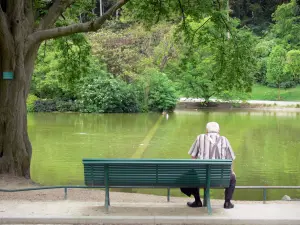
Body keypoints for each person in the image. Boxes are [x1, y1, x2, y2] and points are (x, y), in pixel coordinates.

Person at [180, 122, 236, 209]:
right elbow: (231, 159)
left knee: (192, 175)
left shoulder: (200, 138)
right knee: (232, 178)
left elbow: (193, 156)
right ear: (219, 131)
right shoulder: (224, 139)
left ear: (206, 130)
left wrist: (193, 171)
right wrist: (232, 172)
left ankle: (198, 201)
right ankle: (227, 203)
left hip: (202, 178)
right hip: (220, 178)